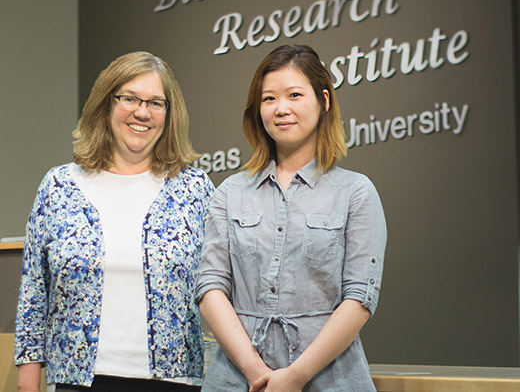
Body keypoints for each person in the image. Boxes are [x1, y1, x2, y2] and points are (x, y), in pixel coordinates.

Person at [15, 51, 214, 392]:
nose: (142, 111)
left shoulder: (195, 190)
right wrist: (28, 381)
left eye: (155, 102)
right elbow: (34, 294)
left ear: (170, 114)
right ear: (106, 105)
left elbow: (221, 289)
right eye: (130, 99)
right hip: (76, 382)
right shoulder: (59, 186)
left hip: (175, 381)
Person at [195, 44, 386, 392]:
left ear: (324, 101)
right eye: (269, 99)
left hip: (332, 379)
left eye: (294, 94)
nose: (281, 108)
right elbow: (210, 287)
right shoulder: (230, 191)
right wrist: (256, 372)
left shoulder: (355, 191)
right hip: (236, 379)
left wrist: (295, 377)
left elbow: (359, 298)